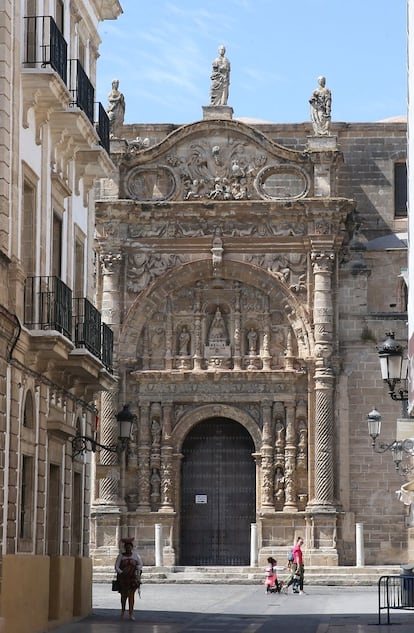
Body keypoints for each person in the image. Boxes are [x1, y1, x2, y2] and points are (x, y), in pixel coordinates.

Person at [115, 537, 143, 620]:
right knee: (123, 596)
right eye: (126, 547)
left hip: (132, 578)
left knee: (131, 596)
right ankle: (123, 611)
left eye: (129, 547)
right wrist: (122, 572)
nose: (128, 549)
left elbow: (140, 565)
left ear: (131, 547)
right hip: (123, 579)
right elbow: (116, 566)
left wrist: (135, 567)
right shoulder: (121, 556)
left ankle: (131, 613)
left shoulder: (136, 556)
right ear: (125, 548)